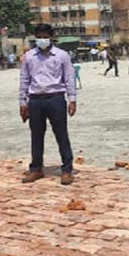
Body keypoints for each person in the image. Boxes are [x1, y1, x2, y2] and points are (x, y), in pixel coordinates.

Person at [19, 24, 77, 185]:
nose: (42, 39)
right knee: (36, 135)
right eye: (39, 36)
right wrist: (22, 102)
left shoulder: (61, 56)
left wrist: (72, 99)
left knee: (61, 134)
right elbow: (24, 79)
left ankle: (66, 169)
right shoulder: (29, 56)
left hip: (56, 98)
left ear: (51, 37)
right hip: (35, 99)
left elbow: (69, 78)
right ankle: (36, 168)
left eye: (45, 36)